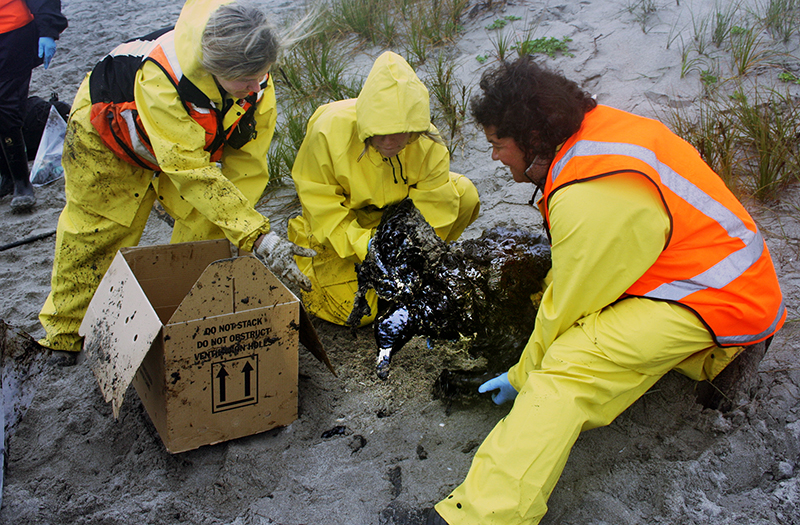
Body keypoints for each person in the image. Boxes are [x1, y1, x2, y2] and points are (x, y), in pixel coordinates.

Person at [427, 57, 786, 524]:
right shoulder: (599, 132)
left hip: (714, 298)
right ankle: (706, 358)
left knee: (565, 371)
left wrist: (521, 376)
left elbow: (567, 312)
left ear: (533, 138)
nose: (495, 156)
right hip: (713, 277)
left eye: (498, 143)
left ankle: (478, 516)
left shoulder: (591, 190)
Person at [38, 0, 313, 357]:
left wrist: (248, 229)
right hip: (108, 137)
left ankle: (184, 316)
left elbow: (246, 165)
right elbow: (189, 170)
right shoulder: (161, 77)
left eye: (261, 75)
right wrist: (259, 237)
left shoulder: (255, 80)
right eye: (245, 80)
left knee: (208, 223)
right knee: (97, 234)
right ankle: (65, 336)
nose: (255, 86)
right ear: (215, 69)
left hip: (180, 148)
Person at [288, 51, 480, 326]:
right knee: (356, 313)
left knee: (465, 194)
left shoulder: (428, 141)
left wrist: (409, 255)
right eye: (381, 132)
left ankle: (415, 273)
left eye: (400, 132)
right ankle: (310, 255)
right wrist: (369, 247)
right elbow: (323, 208)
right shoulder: (327, 131)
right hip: (348, 224)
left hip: (398, 218)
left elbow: (435, 206)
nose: (390, 142)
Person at [0, 0, 67, 212]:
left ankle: (21, 182)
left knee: (6, 107)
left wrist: (47, 29)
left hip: (11, 34)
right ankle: (6, 175)